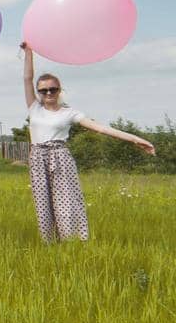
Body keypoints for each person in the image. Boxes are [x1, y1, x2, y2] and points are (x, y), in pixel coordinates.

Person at [21, 42, 155, 241]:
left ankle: (72, 242)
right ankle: (49, 245)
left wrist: (135, 139)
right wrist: (29, 52)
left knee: (66, 205)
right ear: (39, 93)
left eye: (53, 89)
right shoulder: (34, 108)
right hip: (38, 159)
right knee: (43, 205)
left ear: (59, 90)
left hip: (60, 159)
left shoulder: (70, 112)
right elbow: (27, 78)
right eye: (43, 91)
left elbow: (100, 128)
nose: (48, 93)